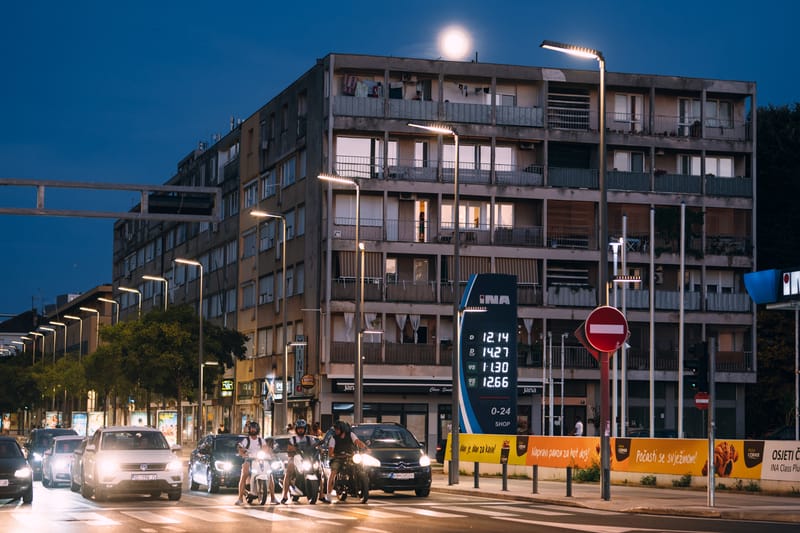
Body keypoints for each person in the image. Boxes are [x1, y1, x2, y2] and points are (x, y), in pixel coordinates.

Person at [321, 420, 367, 504]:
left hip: (350, 457)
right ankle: (328, 495)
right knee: (333, 472)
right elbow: (331, 452)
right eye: (335, 429)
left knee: (360, 466)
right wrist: (335, 455)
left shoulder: (351, 435)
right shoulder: (333, 438)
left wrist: (365, 447)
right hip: (338, 458)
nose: (336, 430)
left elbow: (357, 442)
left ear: (342, 429)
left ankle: (361, 486)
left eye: (337, 429)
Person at [236, 421, 277, 505]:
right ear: (249, 429)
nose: (253, 430)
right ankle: (240, 498)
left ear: (257, 429)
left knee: (270, 475)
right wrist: (243, 454)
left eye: (254, 428)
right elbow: (240, 448)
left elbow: (266, 449)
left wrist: (270, 454)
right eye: (251, 428)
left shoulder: (261, 440)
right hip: (249, 459)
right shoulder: (246, 440)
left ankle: (273, 498)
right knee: (244, 474)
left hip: (260, 460)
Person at [280, 419, 316, 503]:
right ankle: (285, 495)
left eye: (302, 428)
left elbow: (315, 446)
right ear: (296, 429)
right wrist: (292, 450)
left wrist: (320, 449)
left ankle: (321, 495)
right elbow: (289, 449)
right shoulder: (293, 439)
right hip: (295, 458)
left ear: (305, 429)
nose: (301, 430)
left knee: (319, 472)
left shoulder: (309, 438)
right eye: (299, 428)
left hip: (307, 459)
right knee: (289, 472)